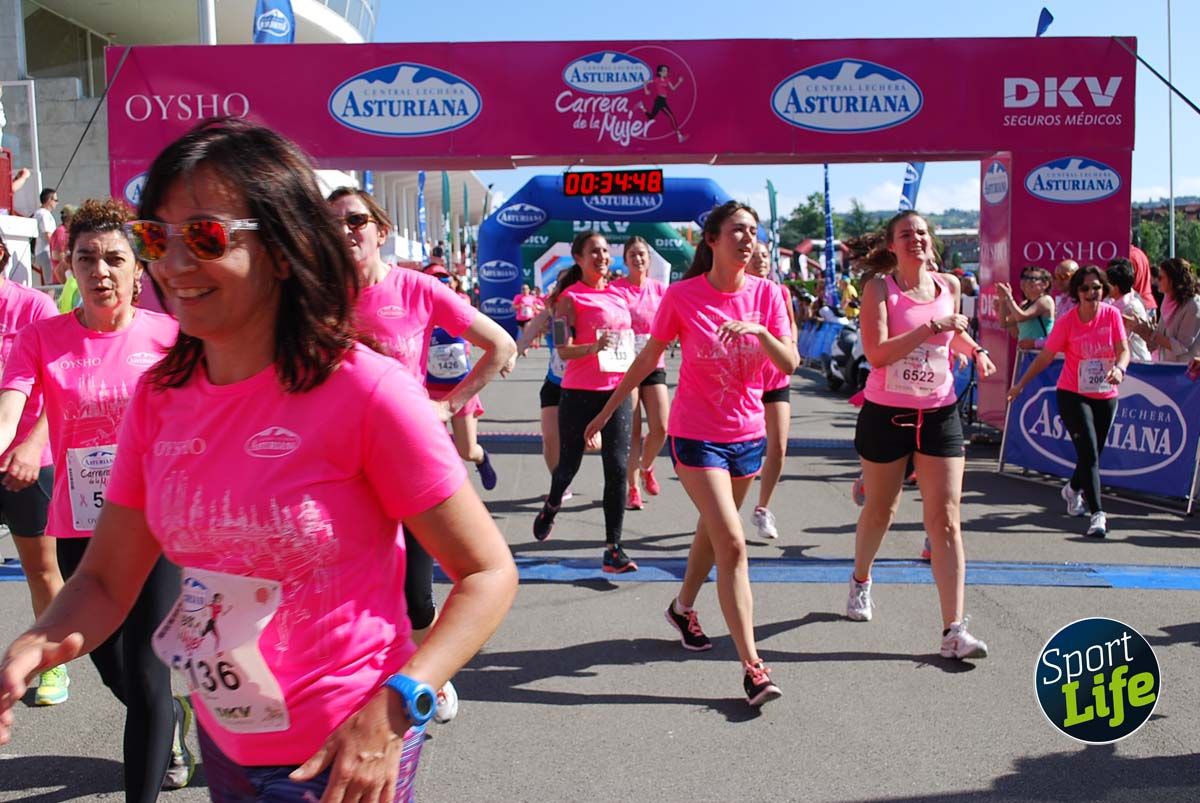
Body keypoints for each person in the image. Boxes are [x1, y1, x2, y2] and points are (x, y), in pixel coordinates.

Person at [0, 120, 518, 802]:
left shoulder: (364, 388)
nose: (174, 266)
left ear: (280, 248)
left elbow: (487, 572)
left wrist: (398, 704)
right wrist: (36, 643)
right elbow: (104, 578)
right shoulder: (160, 397)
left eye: (207, 236)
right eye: (157, 238)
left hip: (341, 753)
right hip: (229, 741)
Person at [0, 199, 188, 798]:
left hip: (156, 525)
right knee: (108, 663)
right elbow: (11, 408)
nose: (100, 270)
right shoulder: (40, 338)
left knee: (146, 673)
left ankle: (150, 769)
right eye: (87, 258)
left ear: (139, 270)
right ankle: (172, 724)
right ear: (68, 265)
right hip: (83, 524)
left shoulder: (171, 338)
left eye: (114, 259)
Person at [586, 201, 797, 706]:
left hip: (747, 436)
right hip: (696, 435)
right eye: (737, 231)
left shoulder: (769, 294)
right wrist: (605, 411)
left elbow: (790, 361)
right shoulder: (682, 296)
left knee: (711, 533)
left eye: (752, 231)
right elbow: (646, 359)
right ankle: (753, 668)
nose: (747, 239)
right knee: (732, 543)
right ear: (712, 240)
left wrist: (761, 332)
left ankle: (682, 608)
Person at [328, 185, 515, 725]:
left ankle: (429, 668)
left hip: (406, 458)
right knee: (344, 585)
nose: (345, 232)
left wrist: (447, 406)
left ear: (380, 230)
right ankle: (356, 685)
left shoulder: (416, 288)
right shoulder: (314, 297)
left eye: (356, 220)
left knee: (417, 595)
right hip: (338, 466)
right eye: (333, 223)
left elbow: (500, 345)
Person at [848, 210, 996, 660]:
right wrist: (931, 328)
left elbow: (953, 337)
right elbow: (877, 353)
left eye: (922, 232)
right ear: (892, 244)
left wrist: (976, 350)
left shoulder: (949, 285)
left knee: (946, 519)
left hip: (939, 412)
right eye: (906, 234)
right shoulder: (879, 288)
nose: (916, 239)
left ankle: (954, 629)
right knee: (881, 511)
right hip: (887, 413)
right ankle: (860, 580)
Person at [532, 230, 638, 574]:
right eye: (594, 251)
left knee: (618, 468)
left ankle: (613, 548)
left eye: (606, 251)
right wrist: (593, 347)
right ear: (578, 258)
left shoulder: (619, 295)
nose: (602, 256)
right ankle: (551, 504)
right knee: (568, 467)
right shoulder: (568, 298)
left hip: (617, 390)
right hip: (579, 391)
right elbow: (563, 349)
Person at [1008, 265, 1130, 538]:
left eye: (1096, 287)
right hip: (1073, 394)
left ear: (1103, 289)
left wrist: (1119, 369)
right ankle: (1098, 513)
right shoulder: (1067, 321)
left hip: (1105, 393)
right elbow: (1045, 357)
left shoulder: (1112, 315)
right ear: (1077, 291)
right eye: (1085, 288)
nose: (1091, 293)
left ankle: (1072, 489)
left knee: (1093, 453)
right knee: (1088, 451)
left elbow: (1124, 350)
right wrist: (1020, 384)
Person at [0, 234, 60, 704]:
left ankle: (53, 666)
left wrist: (33, 443)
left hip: (28, 461)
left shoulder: (35, 307)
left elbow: (63, 386)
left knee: (41, 570)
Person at [422, 261, 508, 493]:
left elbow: (495, 339)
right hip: (429, 392)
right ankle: (448, 497)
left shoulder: (461, 305)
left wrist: (507, 356)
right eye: (434, 280)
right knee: (431, 454)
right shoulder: (418, 312)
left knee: (467, 451)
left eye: (444, 280)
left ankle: (481, 459)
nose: (440, 284)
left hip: (461, 390)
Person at [609, 236, 669, 511]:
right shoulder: (616, 289)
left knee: (661, 427)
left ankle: (647, 467)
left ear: (649, 259)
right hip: (625, 365)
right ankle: (632, 488)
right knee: (631, 431)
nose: (638, 259)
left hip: (653, 363)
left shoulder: (660, 290)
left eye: (642, 254)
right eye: (633, 254)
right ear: (625, 259)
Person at [744, 240, 798, 539]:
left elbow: (790, 325)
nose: (761, 260)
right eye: (755, 256)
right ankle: (721, 507)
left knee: (778, 446)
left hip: (775, 377)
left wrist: (793, 348)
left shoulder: (781, 292)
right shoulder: (738, 292)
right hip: (744, 379)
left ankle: (762, 509)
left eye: (765, 255)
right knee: (747, 449)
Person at [1128, 258, 1200, 363]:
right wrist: (1141, 329)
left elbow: (1182, 346)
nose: (1157, 280)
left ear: (1173, 280)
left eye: (1161, 277)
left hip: (1185, 372)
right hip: (1166, 368)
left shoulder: (1193, 306)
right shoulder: (1168, 302)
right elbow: (1159, 342)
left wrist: (1151, 333)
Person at [996, 266, 1054, 349]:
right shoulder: (1025, 304)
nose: (1027, 281)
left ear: (1045, 284)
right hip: (1025, 353)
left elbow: (1021, 317)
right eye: (1025, 278)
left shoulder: (1046, 300)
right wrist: (1002, 301)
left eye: (1032, 278)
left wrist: (1009, 297)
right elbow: (1004, 323)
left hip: (1039, 353)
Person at [1105, 259, 1152, 363]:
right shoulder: (1115, 303)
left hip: (1136, 363)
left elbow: (1118, 338)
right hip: (1124, 361)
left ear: (1115, 288)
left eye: (1107, 284)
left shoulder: (1131, 307)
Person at [639, 64, 687, 142]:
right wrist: (646, 90)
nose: (666, 72)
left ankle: (641, 107)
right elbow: (645, 82)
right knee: (671, 116)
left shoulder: (667, 80)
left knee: (651, 117)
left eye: (667, 71)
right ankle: (679, 136)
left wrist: (679, 82)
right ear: (660, 72)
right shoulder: (657, 79)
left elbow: (673, 89)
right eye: (664, 71)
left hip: (663, 100)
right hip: (659, 100)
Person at [32, 188, 57, 285]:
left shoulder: (42, 213)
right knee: (50, 282)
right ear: (49, 200)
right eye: (55, 200)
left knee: (49, 280)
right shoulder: (43, 214)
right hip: (45, 251)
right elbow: (48, 234)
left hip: (44, 251)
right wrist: (57, 249)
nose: (57, 203)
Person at [49, 204, 75, 284]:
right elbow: (56, 255)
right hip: (61, 279)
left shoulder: (69, 232)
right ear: (68, 218)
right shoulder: (60, 232)